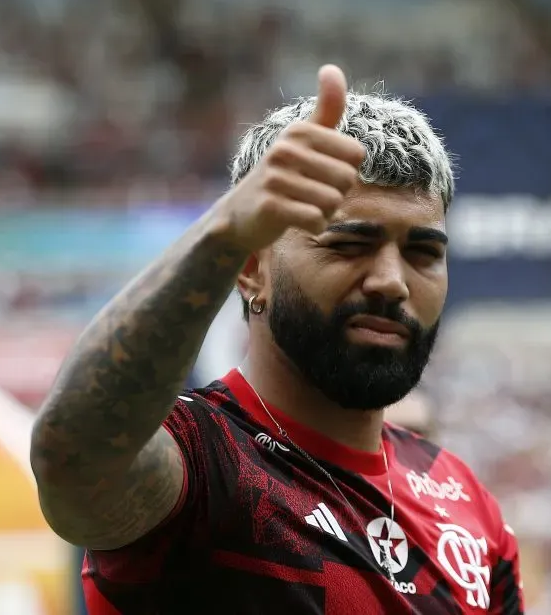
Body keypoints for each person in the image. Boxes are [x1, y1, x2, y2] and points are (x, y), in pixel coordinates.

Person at [30, 65, 524, 614]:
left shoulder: (464, 502)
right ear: (251, 269)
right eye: (348, 245)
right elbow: (71, 455)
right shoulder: (202, 463)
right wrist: (222, 232)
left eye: (423, 252)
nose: (392, 280)